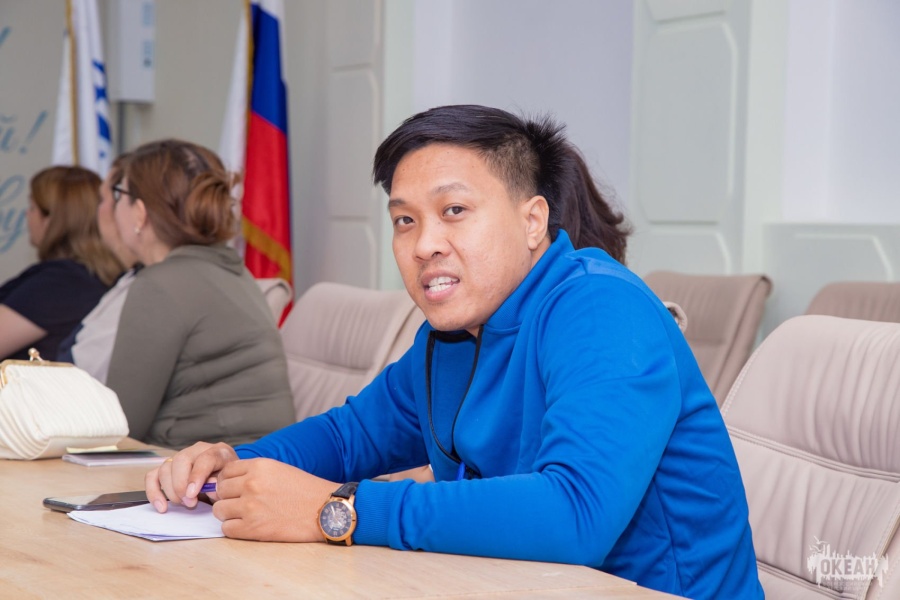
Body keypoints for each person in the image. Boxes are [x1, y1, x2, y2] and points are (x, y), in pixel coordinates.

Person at [146, 106, 762, 599]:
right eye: (405, 220)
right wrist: (231, 463)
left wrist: (337, 510)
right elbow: (348, 437)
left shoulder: (602, 308)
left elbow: (575, 515)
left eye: (454, 211)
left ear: (533, 221)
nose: (424, 245)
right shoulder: (452, 336)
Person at [105, 139, 295, 449]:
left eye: (119, 194)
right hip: (251, 462)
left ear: (139, 214)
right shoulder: (233, 270)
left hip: (201, 471)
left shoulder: (159, 285)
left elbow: (119, 426)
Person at [0, 166, 123, 361]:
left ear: (51, 220)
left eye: (32, 207)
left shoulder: (60, 282)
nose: (27, 215)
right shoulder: (90, 277)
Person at [56, 154, 140, 382]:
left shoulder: (146, 287)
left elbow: (80, 379)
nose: (97, 211)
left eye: (103, 200)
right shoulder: (131, 279)